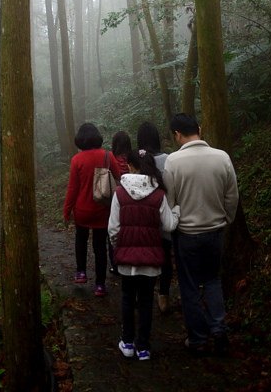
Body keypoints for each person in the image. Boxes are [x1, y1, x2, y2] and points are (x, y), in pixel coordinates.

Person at [163, 113, 239, 357]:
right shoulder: (222, 157)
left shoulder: (173, 162)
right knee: (213, 280)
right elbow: (232, 195)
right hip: (215, 231)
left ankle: (197, 339)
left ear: (177, 134)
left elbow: (170, 200)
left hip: (187, 234)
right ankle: (219, 329)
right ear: (199, 128)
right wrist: (227, 218)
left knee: (190, 286)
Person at [109, 149, 179, 361]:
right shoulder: (158, 195)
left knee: (128, 299)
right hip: (151, 259)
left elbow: (113, 230)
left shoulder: (120, 193)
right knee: (147, 301)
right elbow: (168, 225)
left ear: (130, 166)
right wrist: (176, 211)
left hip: (127, 260)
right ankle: (144, 347)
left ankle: (127, 342)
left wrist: (120, 246)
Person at [63, 122, 124, 297]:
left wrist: (66, 211)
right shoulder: (108, 155)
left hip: (82, 210)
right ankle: (100, 285)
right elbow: (119, 177)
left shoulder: (77, 160)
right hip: (102, 208)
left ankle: (81, 272)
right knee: (100, 247)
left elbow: (72, 188)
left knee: (80, 240)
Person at [137, 121, 173, 313]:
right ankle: (164, 296)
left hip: (145, 220)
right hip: (165, 216)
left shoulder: (138, 160)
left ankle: (144, 296)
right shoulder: (169, 159)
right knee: (166, 258)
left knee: (147, 258)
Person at [108, 131, 131, 274]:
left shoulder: (110, 159)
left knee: (114, 230)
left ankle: (115, 264)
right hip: (132, 199)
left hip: (114, 199)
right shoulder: (133, 157)